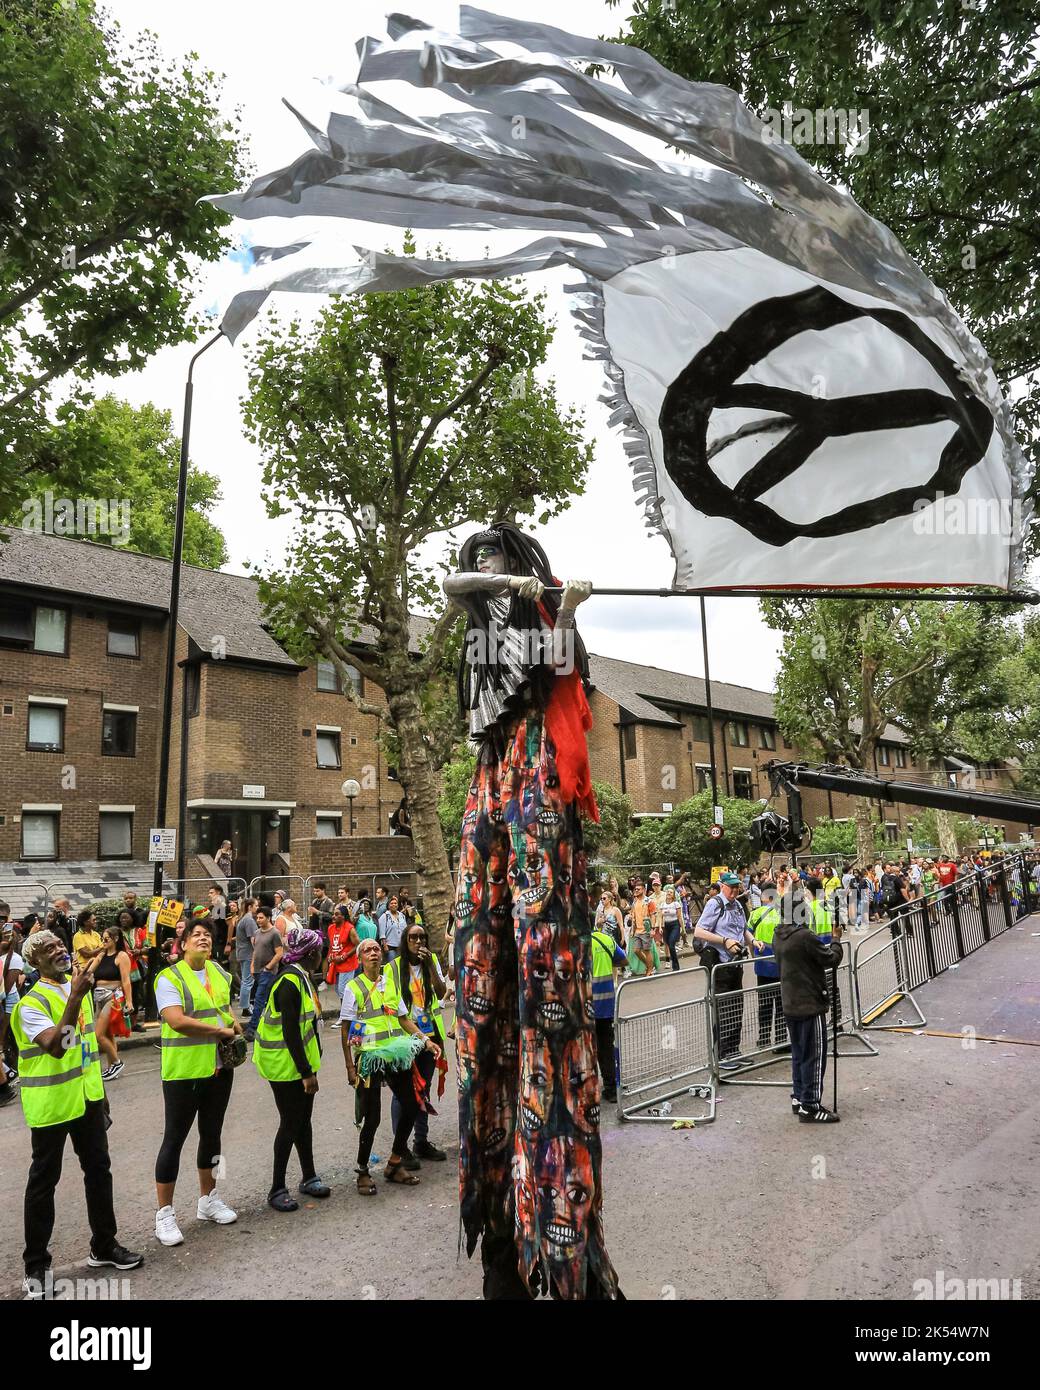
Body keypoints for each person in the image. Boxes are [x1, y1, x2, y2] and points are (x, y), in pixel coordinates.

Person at [444, 521, 618, 1300]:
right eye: (478, 559)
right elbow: (459, 592)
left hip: (539, 785)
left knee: (549, 992)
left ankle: (554, 1230)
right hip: (492, 787)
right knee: (483, 987)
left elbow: (559, 671)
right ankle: (499, 1229)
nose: (485, 568)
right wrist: (501, 586)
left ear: (521, 564)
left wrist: (567, 611)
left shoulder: (544, 626)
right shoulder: (478, 636)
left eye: (498, 559)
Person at [11, 930, 143, 1296]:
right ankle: (35, 1267)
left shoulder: (76, 990)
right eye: (47, 949)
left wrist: (99, 1096)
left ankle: (104, 1245)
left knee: (99, 1171)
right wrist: (75, 996)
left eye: (59, 946)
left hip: (85, 1098)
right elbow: (54, 1047)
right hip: (52, 1105)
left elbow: (81, 1047)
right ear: (34, 963)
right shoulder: (30, 1005)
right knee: (43, 1183)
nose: (58, 951)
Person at [153, 919, 241, 1246]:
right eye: (197, 935)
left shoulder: (218, 971)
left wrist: (234, 1024)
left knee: (213, 1135)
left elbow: (224, 1008)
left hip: (219, 1069)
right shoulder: (169, 977)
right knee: (174, 1139)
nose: (204, 939)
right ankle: (164, 1215)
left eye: (208, 935)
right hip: (184, 1072)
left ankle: (209, 1200)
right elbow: (175, 1020)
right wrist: (219, 1031)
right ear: (184, 942)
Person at [341, 938, 441, 1194]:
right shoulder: (354, 987)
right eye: (367, 950)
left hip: (396, 1054)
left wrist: (426, 1041)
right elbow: (345, 1029)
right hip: (371, 1058)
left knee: (411, 1104)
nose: (373, 953)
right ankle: (362, 1171)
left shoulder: (391, 984)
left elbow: (404, 1019)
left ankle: (395, 1161)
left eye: (376, 949)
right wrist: (350, 1068)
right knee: (372, 1117)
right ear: (360, 958)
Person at [254, 926, 330, 1211]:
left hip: (299, 1064)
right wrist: (306, 1072)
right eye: (320, 951)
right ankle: (277, 1188)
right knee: (290, 1123)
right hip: (286, 1067)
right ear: (312, 954)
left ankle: (309, 1176)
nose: (322, 955)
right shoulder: (289, 982)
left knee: (303, 1121)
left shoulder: (301, 977)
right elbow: (290, 1032)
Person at [772, 881, 845, 1122]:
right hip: (808, 1003)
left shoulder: (778, 936)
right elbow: (830, 958)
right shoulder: (803, 936)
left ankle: (799, 1096)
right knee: (814, 1054)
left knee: (799, 1053)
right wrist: (836, 939)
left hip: (791, 1003)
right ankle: (810, 1105)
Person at [382, 921, 449, 1164]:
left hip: (430, 1036)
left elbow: (442, 993)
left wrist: (431, 964)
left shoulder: (430, 963)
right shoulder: (392, 968)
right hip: (404, 1038)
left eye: (422, 937)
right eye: (413, 938)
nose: (418, 942)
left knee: (424, 1088)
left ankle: (420, 1141)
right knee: (403, 1092)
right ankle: (401, 1148)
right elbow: (389, 1005)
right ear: (405, 941)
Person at [694, 872, 765, 1069]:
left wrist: (753, 940)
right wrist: (724, 941)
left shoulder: (738, 905)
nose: (735, 890)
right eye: (731, 887)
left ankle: (734, 1050)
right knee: (723, 1010)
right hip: (719, 966)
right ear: (722, 885)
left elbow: (742, 930)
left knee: (736, 1008)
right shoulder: (715, 904)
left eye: (737, 887)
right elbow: (699, 931)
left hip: (735, 964)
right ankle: (722, 1055)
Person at [590, 924, 627, 1103]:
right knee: (605, 1047)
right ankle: (611, 1087)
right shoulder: (605, 939)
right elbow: (623, 960)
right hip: (605, 1005)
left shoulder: (574, 944)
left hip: (584, 1006)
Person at [92, 925, 135, 1080]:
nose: (103, 941)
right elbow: (89, 970)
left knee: (98, 1034)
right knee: (108, 1034)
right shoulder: (102, 955)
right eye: (102, 939)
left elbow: (126, 980)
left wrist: (129, 1001)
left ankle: (116, 1062)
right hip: (99, 996)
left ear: (115, 939)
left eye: (106, 939)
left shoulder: (121, 956)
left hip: (113, 997)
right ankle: (111, 1067)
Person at [246, 904, 284, 1041]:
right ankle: (272, 1024)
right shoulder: (256, 933)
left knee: (259, 999)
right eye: (257, 918)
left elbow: (279, 953)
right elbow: (255, 951)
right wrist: (252, 966)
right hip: (256, 971)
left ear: (268, 918)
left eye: (261, 918)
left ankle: (251, 1029)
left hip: (267, 972)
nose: (258, 920)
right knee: (267, 1000)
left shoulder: (274, 933)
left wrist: (268, 967)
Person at [326, 905, 359, 998]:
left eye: (337, 914)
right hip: (335, 963)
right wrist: (330, 957)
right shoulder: (331, 928)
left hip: (348, 963)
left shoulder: (350, 929)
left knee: (344, 991)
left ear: (343, 916)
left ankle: (347, 1012)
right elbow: (331, 945)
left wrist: (343, 957)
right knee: (337, 990)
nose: (333, 916)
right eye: (333, 914)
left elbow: (358, 945)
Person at [234, 897, 258, 1016]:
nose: (257, 908)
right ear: (250, 907)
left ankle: (246, 1006)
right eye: (256, 906)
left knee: (246, 980)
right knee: (248, 981)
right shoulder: (249, 920)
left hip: (243, 953)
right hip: (248, 954)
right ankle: (245, 1007)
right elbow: (253, 939)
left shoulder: (242, 919)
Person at [377, 894, 408, 962]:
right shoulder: (385, 916)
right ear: (388, 905)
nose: (394, 905)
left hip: (401, 946)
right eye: (391, 903)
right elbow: (382, 933)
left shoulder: (402, 915)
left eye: (395, 903)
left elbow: (405, 930)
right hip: (390, 946)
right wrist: (385, 946)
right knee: (393, 965)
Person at [660, 887, 682, 972]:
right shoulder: (663, 904)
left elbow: (679, 917)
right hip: (666, 925)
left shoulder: (676, 904)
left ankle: (675, 965)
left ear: (673, 895)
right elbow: (660, 917)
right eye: (668, 892)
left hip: (674, 924)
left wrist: (681, 929)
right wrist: (660, 927)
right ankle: (673, 962)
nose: (669, 893)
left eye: (671, 892)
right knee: (668, 944)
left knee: (672, 944)